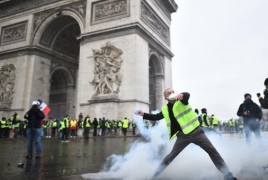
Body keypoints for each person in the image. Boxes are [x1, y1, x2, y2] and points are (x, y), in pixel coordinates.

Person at [136, 88, 237, 180]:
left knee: (213, 152)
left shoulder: (182, 101)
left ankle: (228, 175)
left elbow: (187, 95)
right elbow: (156, 117)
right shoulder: (165, 109)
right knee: (170, 157)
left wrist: (182, 95)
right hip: (182, 136)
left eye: (173, 92)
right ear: (166, 98)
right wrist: (144, 114)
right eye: (169, 93)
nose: (172, 93)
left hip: (197, 133)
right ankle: (154, 177)